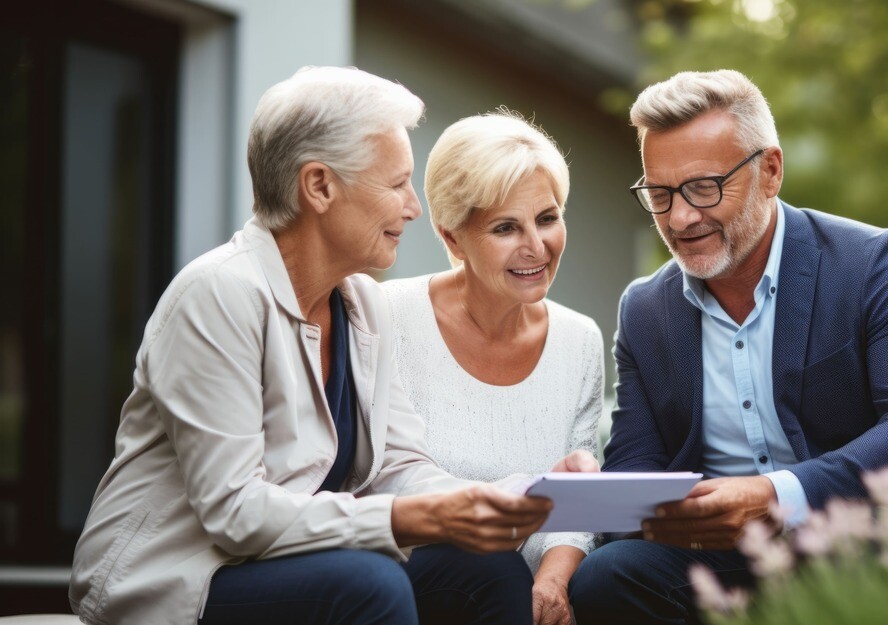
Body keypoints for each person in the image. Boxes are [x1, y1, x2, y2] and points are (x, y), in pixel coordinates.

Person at [69, 66, 593, 625]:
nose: (413, 207)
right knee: (368, 584)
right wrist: (405, 520)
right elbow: (235, 512)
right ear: (319, 186)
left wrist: (521, 494)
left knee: (486, 567)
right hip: (182, 575)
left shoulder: (361, 303)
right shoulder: (219, 293)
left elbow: (399, 466)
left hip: (287, 561)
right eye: (396, 184)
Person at [568, 69, 888, 624]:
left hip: (872, 527)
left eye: (704, 187)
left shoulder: (877, 264)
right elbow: (637, 459)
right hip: (723, 554)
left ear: (770, 171)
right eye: (660, 195)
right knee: (605, 576)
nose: (681, 218)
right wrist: (603, 495)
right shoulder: (645, 309)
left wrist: (775, 496)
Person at [382, 110, 603, 625]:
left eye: (547, 218)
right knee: (492, 568)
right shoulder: (386, 316)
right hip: (415, 576)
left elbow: (578, 506)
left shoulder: (579, 340)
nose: (536, 247)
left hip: (515, 591)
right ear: (453, 239)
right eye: (506, 228)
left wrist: (553, 581)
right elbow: (379, 483)